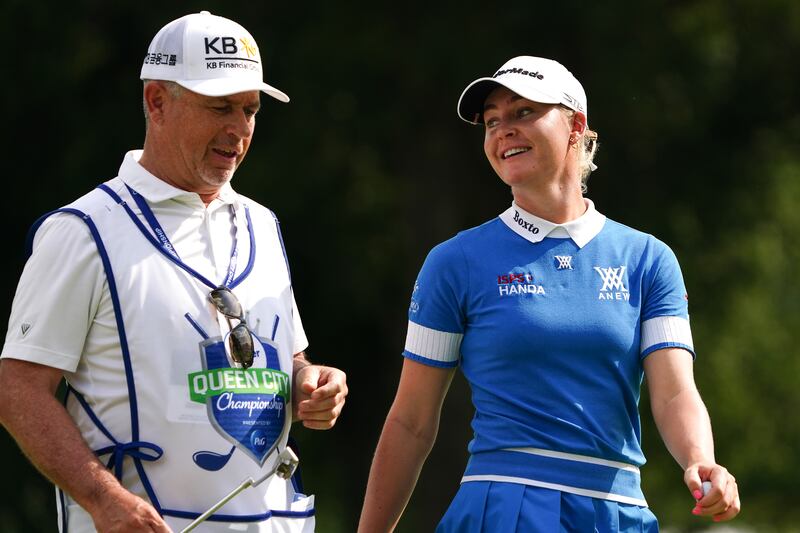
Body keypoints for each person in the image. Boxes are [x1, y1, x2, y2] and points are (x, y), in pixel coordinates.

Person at [358, 56, 740, 532]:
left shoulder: (648, 259)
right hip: (502, 506)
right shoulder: (455, 262)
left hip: (616, 509)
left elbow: (674, 390)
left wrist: (701, 460)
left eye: (522, 113)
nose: (503, 131)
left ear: (576, 125)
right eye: (492, 121)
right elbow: (411, 422)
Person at [0, 11, 347, 533]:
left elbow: (285, 359)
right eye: (220, 106)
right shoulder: (84, 231)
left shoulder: (262, 223)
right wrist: (103, 498)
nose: (239, 129)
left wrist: (310, 384)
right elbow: (18, 389)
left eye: (250, 109)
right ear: (157, 102)